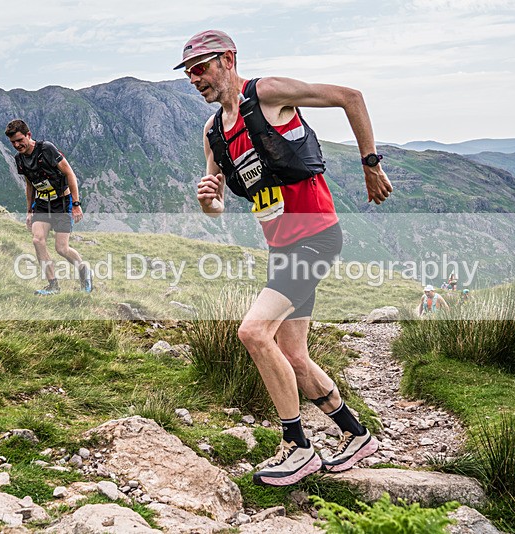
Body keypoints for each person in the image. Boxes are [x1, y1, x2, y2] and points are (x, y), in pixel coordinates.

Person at [177, 30, 393, 486]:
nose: (195, 79)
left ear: (228, 59)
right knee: (293, 355)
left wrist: (370, 164)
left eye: (202, 67)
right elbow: (216, 208)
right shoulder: (213, 132)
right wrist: (207, 199)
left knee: (254, 332)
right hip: (281, 249)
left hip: (316, 238)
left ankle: (297, 445)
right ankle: (357, 436)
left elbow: (350, 97)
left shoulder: (268, 94)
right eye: (189, 73)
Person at [5, 119, 92, 295]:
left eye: (20, 140)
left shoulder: (46, 149)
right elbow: (29, 184)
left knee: (62, 248)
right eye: (13, 142)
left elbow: (70, 174)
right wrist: (29, 210)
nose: (17, 145)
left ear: (28, 135)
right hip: (42, 204)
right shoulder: (19, 159)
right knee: (38, 240)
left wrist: (76, 204)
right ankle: (53, 286)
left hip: (62, 202)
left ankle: (84, 270)